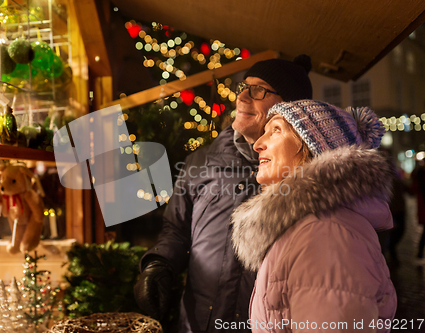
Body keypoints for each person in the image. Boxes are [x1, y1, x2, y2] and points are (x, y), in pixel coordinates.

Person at [134, 55, 313, 332]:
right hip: (198, 324)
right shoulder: (200, 161)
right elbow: (176, 229)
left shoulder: (305, 175)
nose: (242, 97)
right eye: (244, 87)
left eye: (259, 90)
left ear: (288, 109)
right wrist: (160, 263)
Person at [232, 100, 397, 333]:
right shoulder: (307, 227)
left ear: (312, 147)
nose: (258, 144)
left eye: (276, 130)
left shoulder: (325, 234)